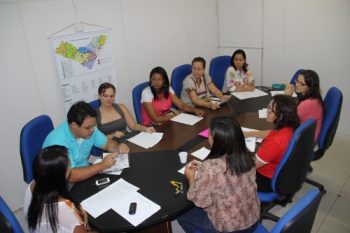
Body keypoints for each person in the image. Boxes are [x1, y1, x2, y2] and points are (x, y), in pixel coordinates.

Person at [178, 116, 260, 233]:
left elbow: (200, 201)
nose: (208, 137)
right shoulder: (248, 157)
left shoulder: (211, 167)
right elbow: (230, 176)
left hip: (230, 228)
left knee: (183, 216)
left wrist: (191, 177)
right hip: (253, 218)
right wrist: (203, 169)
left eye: (209, 134)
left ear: (217, 140)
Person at [43, 101, 129, 182]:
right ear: (74, 125)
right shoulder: (58, 142)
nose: (92, 130)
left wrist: (118, 147)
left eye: (93, 126)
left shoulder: (89, 130)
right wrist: (102, 165)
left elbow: (107, 143)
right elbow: (71, 175)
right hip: (62, 183)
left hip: (86, 171)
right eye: (88, 127)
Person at [24, 146, 93, 233]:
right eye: (69, 165)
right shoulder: (67, 211)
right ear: (60, 176)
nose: (71, 167)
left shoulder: (33, 185)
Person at [244, 95, 299, 192]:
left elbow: (251, 166)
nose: (267, 111)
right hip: (281, 172)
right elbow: (271, 133)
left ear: (281, 115)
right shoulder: (288, 127)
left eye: (270, 110)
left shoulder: (276, 141)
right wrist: (250, 133)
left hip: (266, 178)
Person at [285, 69, 324, 142]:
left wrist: (288, 97)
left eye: (302, 84)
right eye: (297, 81)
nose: (296, 84)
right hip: (306, 134)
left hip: (304, 141)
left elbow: (287, 118)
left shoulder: (308, 103)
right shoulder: (314, 97)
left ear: (310, 86)